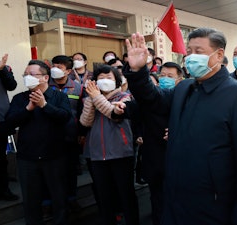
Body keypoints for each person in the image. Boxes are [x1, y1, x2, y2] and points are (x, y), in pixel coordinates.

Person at [124, 28, 237, 225]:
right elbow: (153, 100)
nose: (191, 57)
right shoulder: (184, 88)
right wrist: (138, 72)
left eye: (199, 51)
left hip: (213, 207)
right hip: (176, 201)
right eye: (189, 52)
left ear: (218, 55)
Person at [6, 60, 71, 225]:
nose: (27, 77)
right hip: (27, 158)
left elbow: (65, 117)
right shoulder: (20, 98)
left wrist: (45, 105)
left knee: (59, 198)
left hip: (54, 157)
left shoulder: (59, 96)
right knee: (30, 201)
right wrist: (28, 109)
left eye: (31, 74)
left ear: (45, 77)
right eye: (25, 75)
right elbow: (10, 123)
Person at [80, 65, 139, 225]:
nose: (104, 80)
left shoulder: (125, 97)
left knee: (125, 193)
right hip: (96, 154)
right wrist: (92, 99)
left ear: (117, 81)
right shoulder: (90, 98)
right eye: (100, 78)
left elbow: (115, 115)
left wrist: (96, 97)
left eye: (109, 77)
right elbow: (85, 122)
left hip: (121, 152)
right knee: (103, 194)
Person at [137, 62, 184, 225]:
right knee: (157, 198)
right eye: (162, 75)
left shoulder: (186, 98)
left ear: (179, 79)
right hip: (154, 156)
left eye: (170, 76)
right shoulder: (153, 97)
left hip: (178, 159)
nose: (165, 79)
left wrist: (179, 129)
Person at [49, 55, 85, 211]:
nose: (55, 69)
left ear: (69, 71)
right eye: (53, 65)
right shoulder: (44, 85)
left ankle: (71, 199)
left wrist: (82, 133)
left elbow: (83, 111)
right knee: (49, 171)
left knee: (70, 170)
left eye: (60, 67)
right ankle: (49, 202)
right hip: (48, 137)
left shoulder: (78, 88)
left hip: (71, 135)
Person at [0, 53, 18, 201]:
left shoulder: (5, 68)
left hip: (1, 121)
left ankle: (3, 189)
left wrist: (2, 69)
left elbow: (12, 86)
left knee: (1, 158)